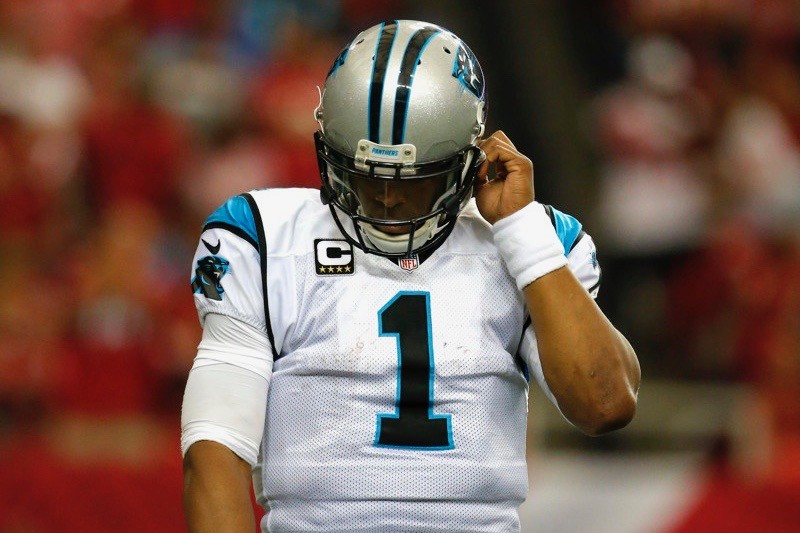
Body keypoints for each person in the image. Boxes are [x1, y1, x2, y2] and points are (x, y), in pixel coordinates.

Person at [180, 19, 640, 533]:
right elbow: (213, 454)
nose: (387, 198)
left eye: (414, 180)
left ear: (468, 160)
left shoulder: (534, 240)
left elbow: (604, 404)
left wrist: (522, 233)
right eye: (363, 174)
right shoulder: (263, 239)